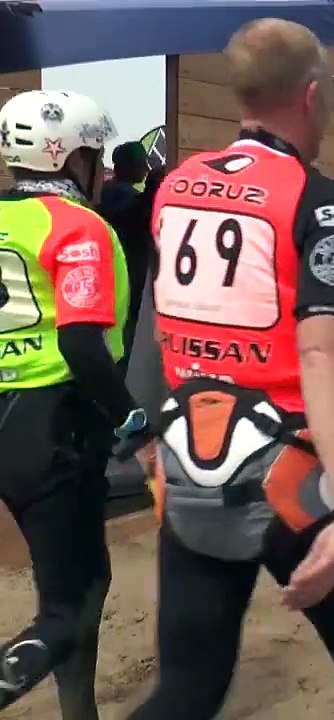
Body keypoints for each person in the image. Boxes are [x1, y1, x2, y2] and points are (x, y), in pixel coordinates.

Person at [126, 20, 334, 719]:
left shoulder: (176, 187)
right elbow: (325, 349)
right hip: (288, 477)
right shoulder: (323, 200)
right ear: (311, 96)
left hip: (189, 461)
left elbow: (156, 322)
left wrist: (147, 430)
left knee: (187, 686)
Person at [0, 89, 153, 719]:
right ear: (73, 160)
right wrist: (133, 420)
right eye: (96, 156)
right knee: (75, 597)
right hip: (51, 425)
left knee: (64, 586)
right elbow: (83, 345)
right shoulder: (78, 229)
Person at [97, 141, 163, 368]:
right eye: (140, 164)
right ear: (127, 166)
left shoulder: (116, 192)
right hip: (126, 271)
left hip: (127, 270)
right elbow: (134, 216)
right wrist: (152, 190)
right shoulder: (114, 193)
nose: (144, 170)